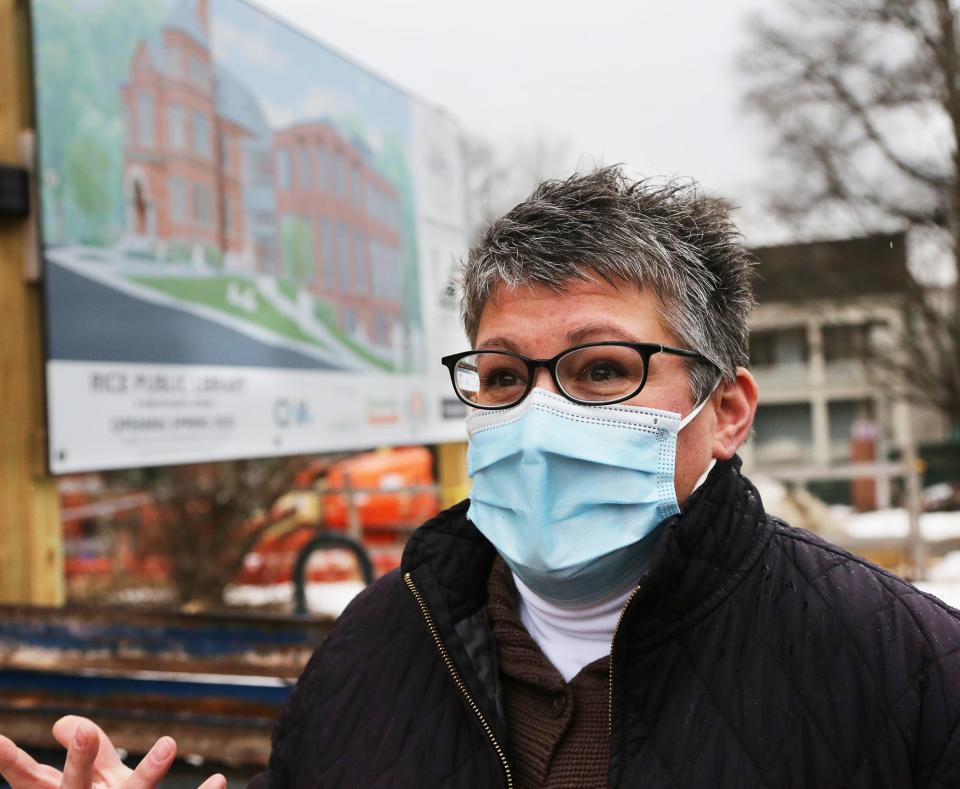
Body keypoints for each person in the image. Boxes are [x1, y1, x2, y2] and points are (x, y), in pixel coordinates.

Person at [3, 166, 959, 787]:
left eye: (599, 370)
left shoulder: (906, 672)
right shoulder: (374, 647)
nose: (540, 415)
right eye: (502, 376)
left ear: (728, 409)